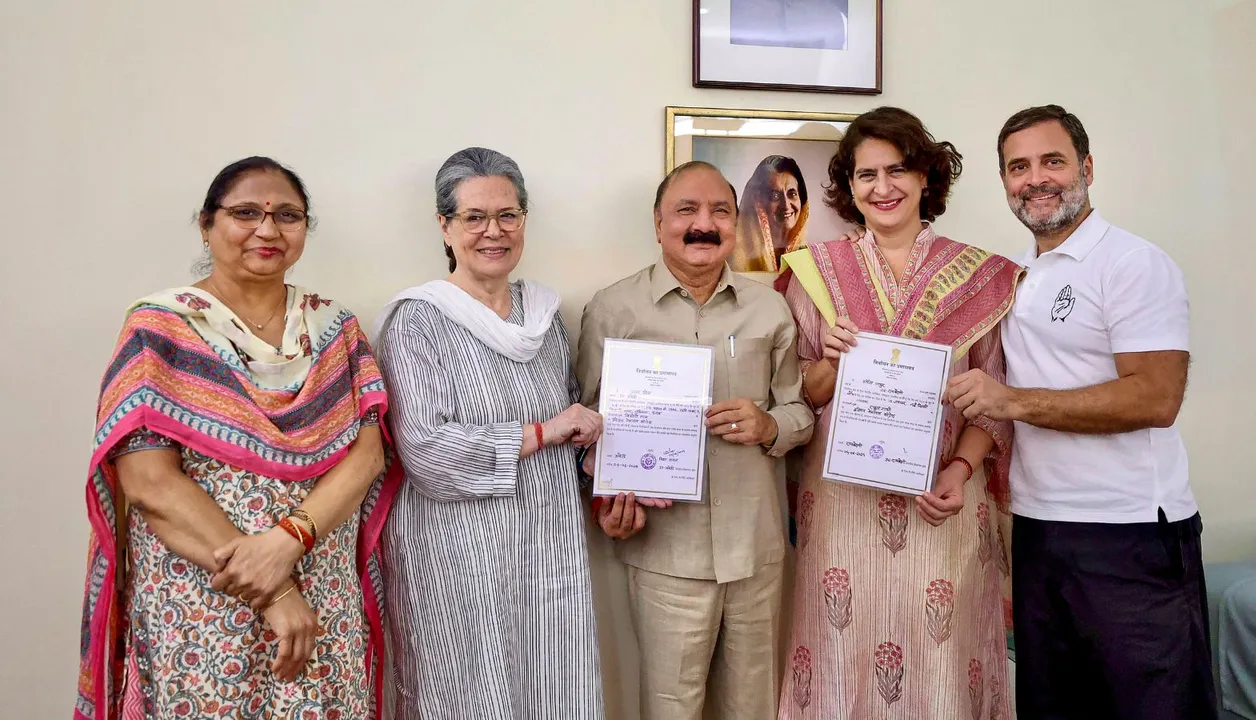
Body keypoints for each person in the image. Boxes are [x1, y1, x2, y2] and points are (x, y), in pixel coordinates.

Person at [75, 156, 401, 720]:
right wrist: (273, 591)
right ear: (207, 223)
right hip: (201, 598)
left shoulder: (334, 328)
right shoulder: (161, 329)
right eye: (246, 212)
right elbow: (149, 483)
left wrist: (287, 544)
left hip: (319, 586)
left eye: (288, 215)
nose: (268, 229)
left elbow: (368, 454)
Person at [946, 104, 1216, 719]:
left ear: (1087, 168)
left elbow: (1155, 396)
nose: (1035, 178)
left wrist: (1011, 401)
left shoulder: (1131, 263)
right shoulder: (1018, 277)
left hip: (1129, 536)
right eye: (1018, 167)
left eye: (1052, 161)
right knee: (1054, 706)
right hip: (1040, 528)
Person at [773, 107, 1022, 719]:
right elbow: (799, 393)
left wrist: (959, 475)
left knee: (942, 664)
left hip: (943, 504)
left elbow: (994, 396)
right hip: (841, 504)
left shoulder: (984, 277)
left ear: (926, 178)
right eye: (866, 175)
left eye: (898, 170)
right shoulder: (812, 273)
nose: (882, 187)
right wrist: (829, 359)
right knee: (839, 654)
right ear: (848, 186)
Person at [575, 160, 815, 720]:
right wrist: (607, 495)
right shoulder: (613, 310)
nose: (703, 224)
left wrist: (771, 425)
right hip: (664, 553)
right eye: (686, 210)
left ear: (735, 224)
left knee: (751, 708)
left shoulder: (769, 307)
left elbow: (799, 410)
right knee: (669, 708)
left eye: (719, 212)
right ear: (658, 224)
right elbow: (586, 432)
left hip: (755, 551)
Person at [374, 147, 606, 720]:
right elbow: (425, 451)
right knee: (465, 693)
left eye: (508, 215)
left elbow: (575, 419)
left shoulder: (546, 317)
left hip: (549, 545)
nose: (493, 231)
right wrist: (547, 431)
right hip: (456, 554)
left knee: (556, 683)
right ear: (445, 227)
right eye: (474, 217)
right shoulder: (417, 320)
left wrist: (604, 463)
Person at [733, 155, 810, 273]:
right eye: (775, 196)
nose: (786, 205)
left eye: (792, 194)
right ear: (758, 203)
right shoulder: (737, 259)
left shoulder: (812, 259)